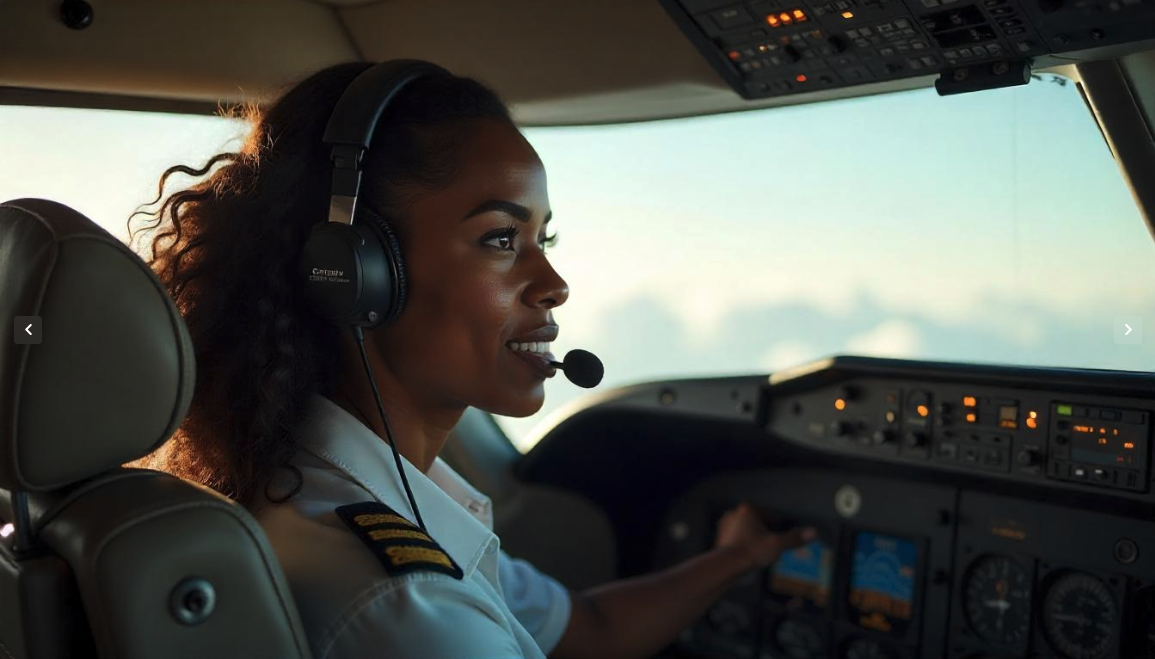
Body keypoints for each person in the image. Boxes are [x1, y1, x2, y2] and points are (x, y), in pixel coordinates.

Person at [130, 61, 816, 659]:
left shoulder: (319, 489)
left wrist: (736, 556)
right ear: (355, 272)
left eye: (542, 237)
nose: (554, 282)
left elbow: (596, 626)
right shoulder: (408, 607)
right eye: (499, 238)